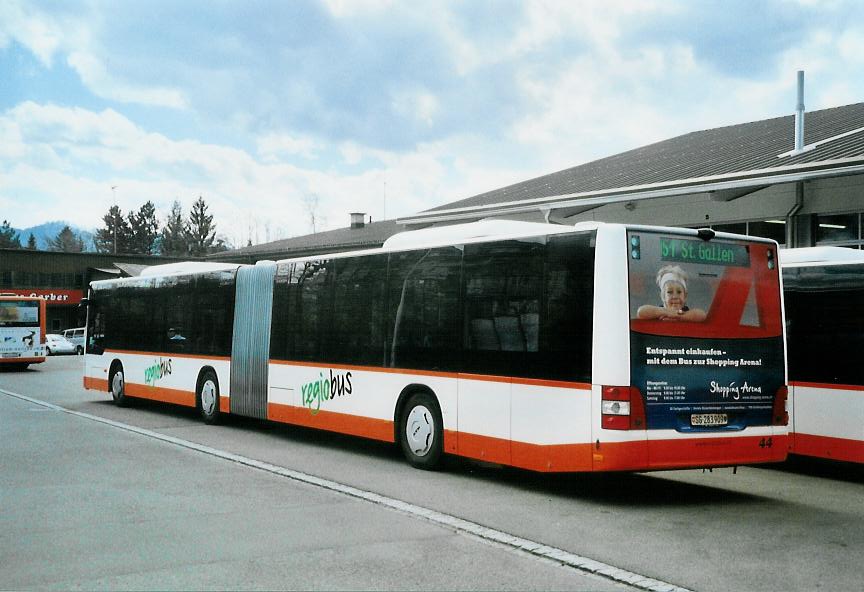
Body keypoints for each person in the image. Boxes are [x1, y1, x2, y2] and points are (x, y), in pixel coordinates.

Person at [637, 265, 706, 322]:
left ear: (685, 296)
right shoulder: (657, 312)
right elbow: (641, 312)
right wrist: (666, 312)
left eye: (679, 292)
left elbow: (702, 315)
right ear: (663, 296)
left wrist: (678, 316)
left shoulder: (687, 313)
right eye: (670, 292)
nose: (675, 296)